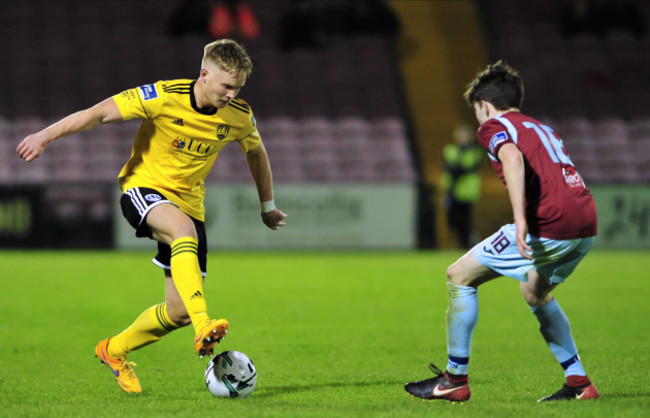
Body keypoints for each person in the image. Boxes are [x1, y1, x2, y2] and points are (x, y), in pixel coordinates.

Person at [16, 39, 287, 394]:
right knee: (182, 232)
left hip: (190, 203)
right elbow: (98, 113)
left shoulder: (238, 115)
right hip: (143, 189)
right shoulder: (162, 96)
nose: (232, 94)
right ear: (204, 74)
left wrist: (267, 206)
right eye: (226, 86)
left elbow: (256, 152)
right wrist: (44, 136)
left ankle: (113, 350)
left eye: (237, 88)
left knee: (176, 311)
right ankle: (204, 323)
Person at [404, 61, 599, 402]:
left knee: (458, 275)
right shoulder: (543, 128)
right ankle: (579, 383)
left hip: (548, 223)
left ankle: (454, 379)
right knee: (534, 292)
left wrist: (521, 220)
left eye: (477, 112)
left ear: (484, 105)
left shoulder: (494, 125)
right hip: (584, 223)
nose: (478, 120)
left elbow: (511, 157)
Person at [440, 123, 483, 249]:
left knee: (465, 220)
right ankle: (466, 240)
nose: (462, 137)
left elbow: (463, 168)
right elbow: (448, 167)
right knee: (452, 221)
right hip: (451, 190)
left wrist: (455, 168)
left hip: (467, 192)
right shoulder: (450, 149)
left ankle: (467, 243)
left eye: (465, 134)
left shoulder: (475, 151)